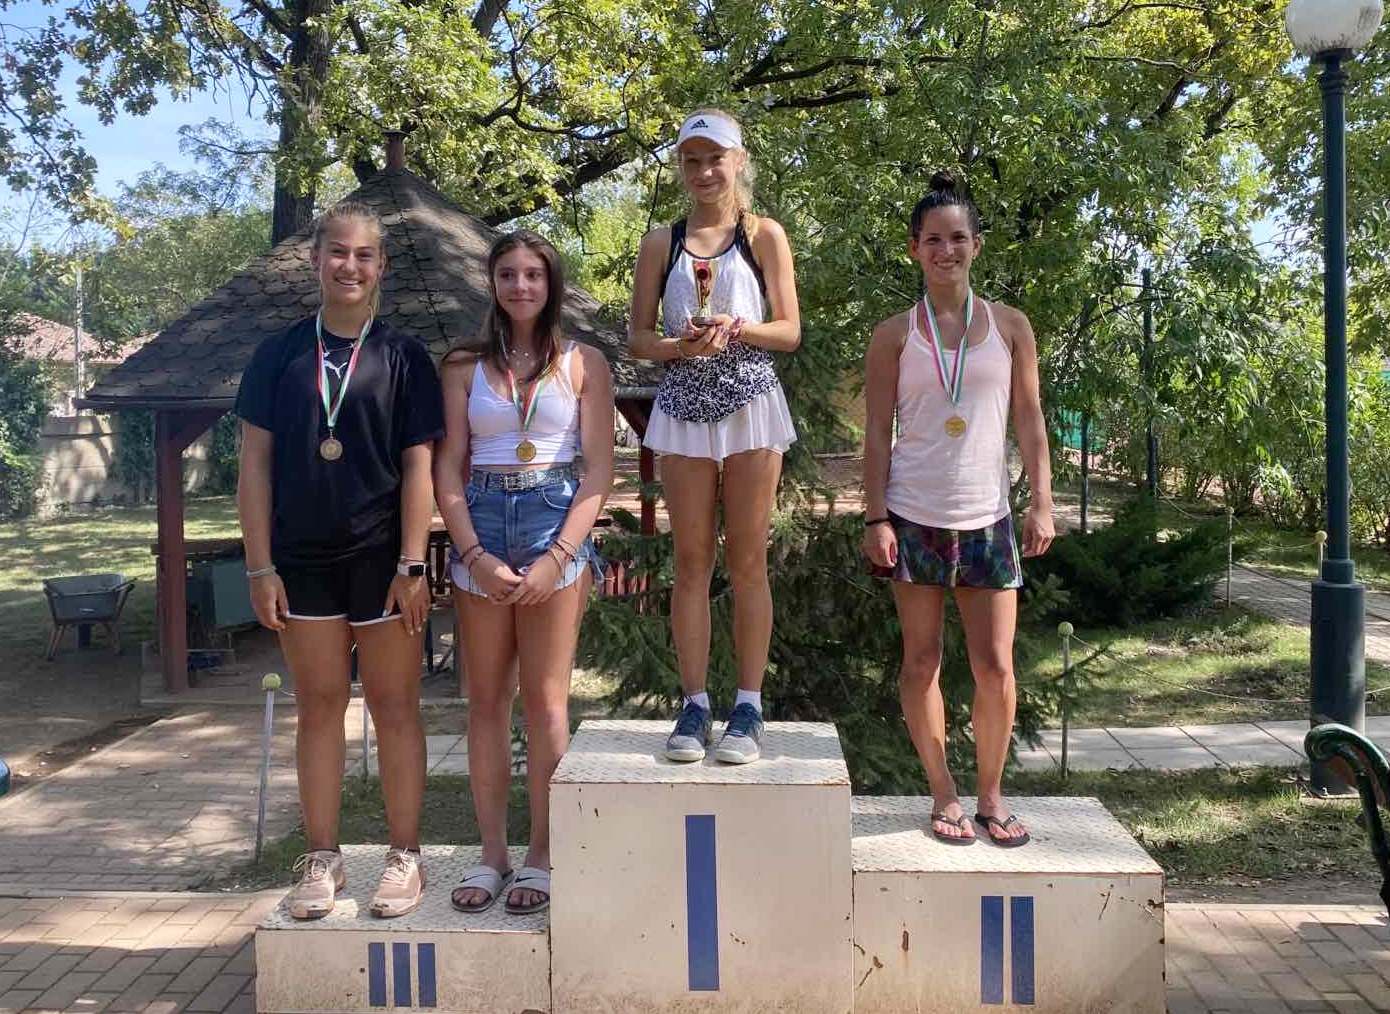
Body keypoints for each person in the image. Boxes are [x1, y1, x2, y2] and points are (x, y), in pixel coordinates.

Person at [236, 200, 444, 916]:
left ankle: (405, 856)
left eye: (363, 255)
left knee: (395, 706)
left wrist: (413, 564)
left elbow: (419, 466)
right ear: (315, 259)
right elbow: (254, 467)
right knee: (320, 706)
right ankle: (322, 859)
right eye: (337, 252)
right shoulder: (277, 354)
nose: (349, 266)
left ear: (381, 266)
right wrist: (259, 566)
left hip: (383, 559)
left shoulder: (404, 356)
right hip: (300, 561)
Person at [861, 172, 1055, 847]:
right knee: (921, 663)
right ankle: (943, 792)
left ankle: (992, 796)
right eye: (934, 240)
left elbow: (1030, 420)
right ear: (914, 248)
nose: (947, 250)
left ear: (976, 246)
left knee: (995, 666)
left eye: (958, 238)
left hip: (988, 519)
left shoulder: (1010, 326)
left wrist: (1042, 503)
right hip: (913, 517)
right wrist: (875, 517)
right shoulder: (894, 334)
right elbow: (876, 431)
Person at [434, 229, 613, 915]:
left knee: (545, 702)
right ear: (493, 283)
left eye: (533, 274)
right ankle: (492, 855)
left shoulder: (583, 362)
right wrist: (473, 553)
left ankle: (542, 855)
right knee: (485, 700)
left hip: (553, 521)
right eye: (508, 274)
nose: (520, 286)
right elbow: (448, 468)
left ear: (551, 283)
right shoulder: (463, 365)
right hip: (482, 523)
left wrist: (559, 556)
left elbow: (598, 472)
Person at [628, 108, 801, 765]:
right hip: (682, 405)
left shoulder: (764, 236)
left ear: (738, 160)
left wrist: (737, 328)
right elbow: (638, 339)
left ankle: (748, 707)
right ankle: (695, 704)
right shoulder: (660, 242)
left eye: (715, 158)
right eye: (691, 160)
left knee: (748, 559)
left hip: (751, 404)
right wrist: (682, 345)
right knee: (692, 562)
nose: (703, 172)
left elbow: (790, 331)